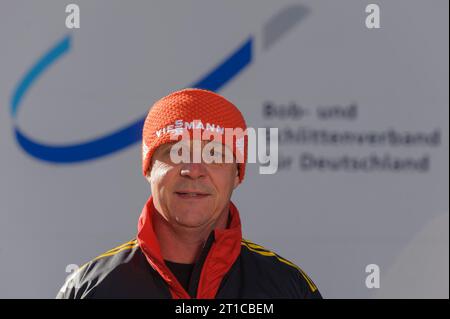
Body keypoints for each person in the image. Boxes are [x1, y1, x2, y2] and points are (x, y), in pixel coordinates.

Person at [56, 88, 322, 299]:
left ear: (238, 174)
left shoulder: (289, 288)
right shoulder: (88, 289)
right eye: (176, 152)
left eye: (214, 154)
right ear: (149, 169)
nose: (194, 170)